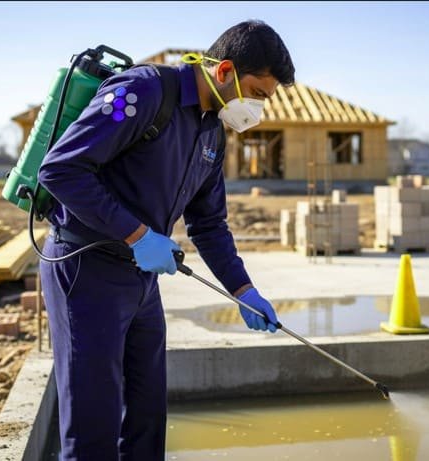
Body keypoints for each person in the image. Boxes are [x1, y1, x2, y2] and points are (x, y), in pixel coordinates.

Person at [37, 20, 295, 460]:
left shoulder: (211, 130)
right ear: (224, 70)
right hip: (87, 269)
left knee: (147, 418)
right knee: (93, 426)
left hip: (140, 280)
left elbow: (209, 225)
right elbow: (60, 170)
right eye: (257, 91)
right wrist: (139, 236)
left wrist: (244, 290)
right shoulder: (144, 93)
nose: (259, 106)